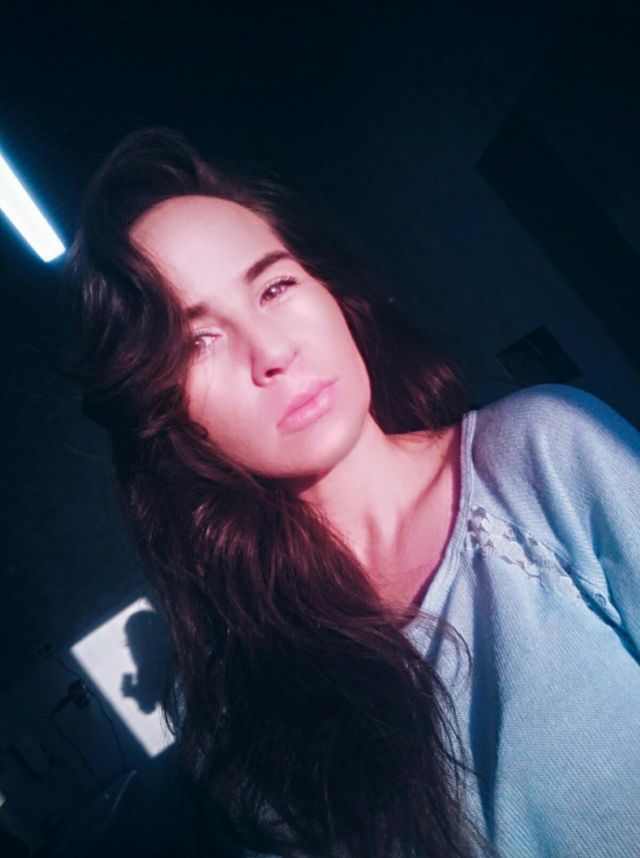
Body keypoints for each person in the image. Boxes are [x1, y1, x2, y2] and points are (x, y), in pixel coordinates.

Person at [63, 127, 640, 858]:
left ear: (330, 291)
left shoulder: (547, 453)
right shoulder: (242, 716)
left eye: (275, 286)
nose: (273, 352)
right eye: (196, 341)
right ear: (162, 411)